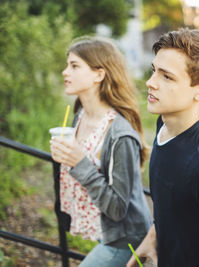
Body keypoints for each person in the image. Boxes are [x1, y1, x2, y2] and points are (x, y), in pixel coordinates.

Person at [127, 28, 199, 267]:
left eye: (167, 77)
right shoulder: (163, 124)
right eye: (154, 71)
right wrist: (152, 238)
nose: (150, 83)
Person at [49, 36, 152, 266]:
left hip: (126, 238)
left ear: (99, 74)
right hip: (105, 232)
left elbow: (117, 209)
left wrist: (79, 163)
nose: (65, 72)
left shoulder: (120, 135)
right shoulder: (80, 116)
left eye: (74, 66)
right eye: (68, 65)